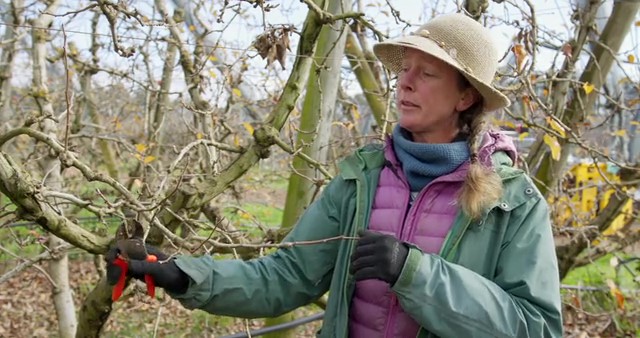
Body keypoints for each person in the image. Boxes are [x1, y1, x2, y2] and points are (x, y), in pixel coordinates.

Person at [106, 12, 563, 338]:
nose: (404, 83)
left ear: (465, 97)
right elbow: (284, 277)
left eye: (427, 74)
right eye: (404, 70)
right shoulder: (361, 178)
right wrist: (183, 275)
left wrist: (414, 273)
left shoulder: (513, 203)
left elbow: (535, 328)